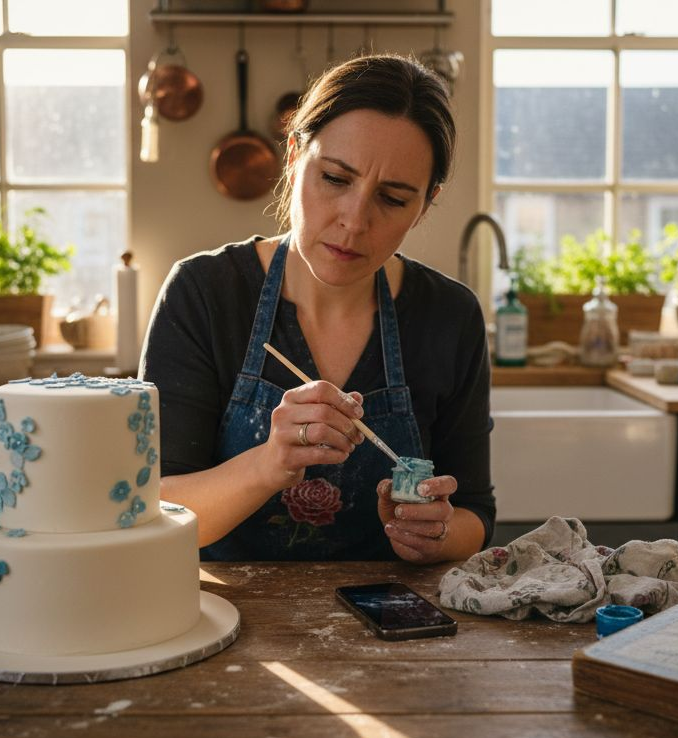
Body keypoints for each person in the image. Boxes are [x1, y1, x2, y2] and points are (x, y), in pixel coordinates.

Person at [139, 54, 493, 563]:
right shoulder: (204, 293)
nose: (354, 221)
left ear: (424, 206)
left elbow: (474, 513)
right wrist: (268, 464)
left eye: (393, 199)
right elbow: (154, 512)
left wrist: (436, 534)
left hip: (394, 608)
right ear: (293, 157)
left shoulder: (450, 315)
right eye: (335, 178)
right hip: (228, 608)